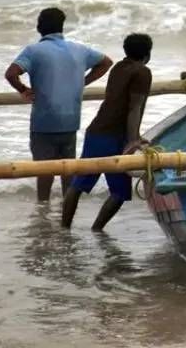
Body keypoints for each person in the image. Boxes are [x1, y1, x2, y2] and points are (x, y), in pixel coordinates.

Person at [5, 7, 112, 202]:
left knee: (44, 171)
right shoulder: (80, 50)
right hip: (70, 120)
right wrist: (83, 82)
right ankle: (67, 212)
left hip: (44, 122)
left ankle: (43, 210)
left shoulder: (33, 50)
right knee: (68, 170)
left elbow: (11, 74)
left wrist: (23, 90)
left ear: (39, 27)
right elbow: (106, 62)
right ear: (62, 27)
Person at [62, 33, 153, 231]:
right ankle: (96, 230)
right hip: (115, 136)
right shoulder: (142, 72)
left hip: (96, 131)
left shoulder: (118, 68)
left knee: (78, 185)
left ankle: (64, 228)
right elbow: (134, 107)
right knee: (119, 192)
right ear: (147, 54)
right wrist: (133, 140)